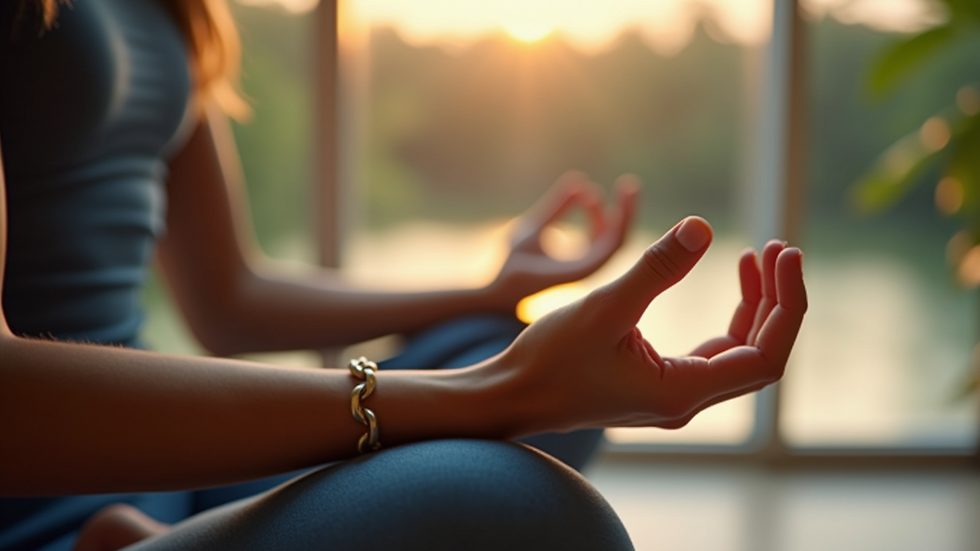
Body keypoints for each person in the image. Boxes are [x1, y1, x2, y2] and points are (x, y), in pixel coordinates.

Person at [0, 0, 808, 550]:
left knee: (500, 342)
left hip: (162, 469)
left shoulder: (176, 8)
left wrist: (487, 294)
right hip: (37, 490)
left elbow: (230, 299)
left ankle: (157, 533)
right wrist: (500, 391)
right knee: (527, 508)